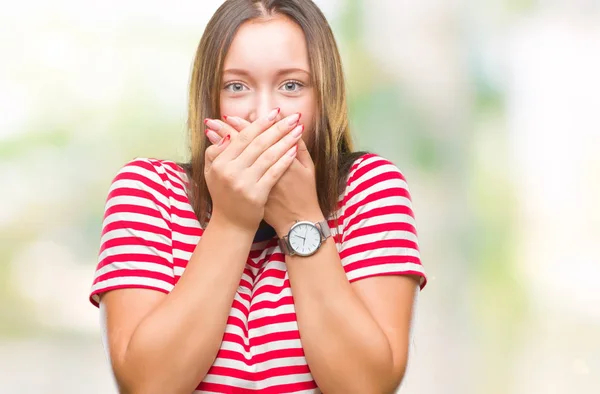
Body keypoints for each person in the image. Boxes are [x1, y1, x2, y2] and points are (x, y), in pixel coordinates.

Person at [89, 0, 427, 393]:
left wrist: (300, 218)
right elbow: (148, 384)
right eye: (237, 86)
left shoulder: (369, 188)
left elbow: (366, 386)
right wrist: (233, 221)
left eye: (291, 85)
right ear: (209, 99)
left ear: (323, 97)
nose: (263, 113)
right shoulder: (148, 190)